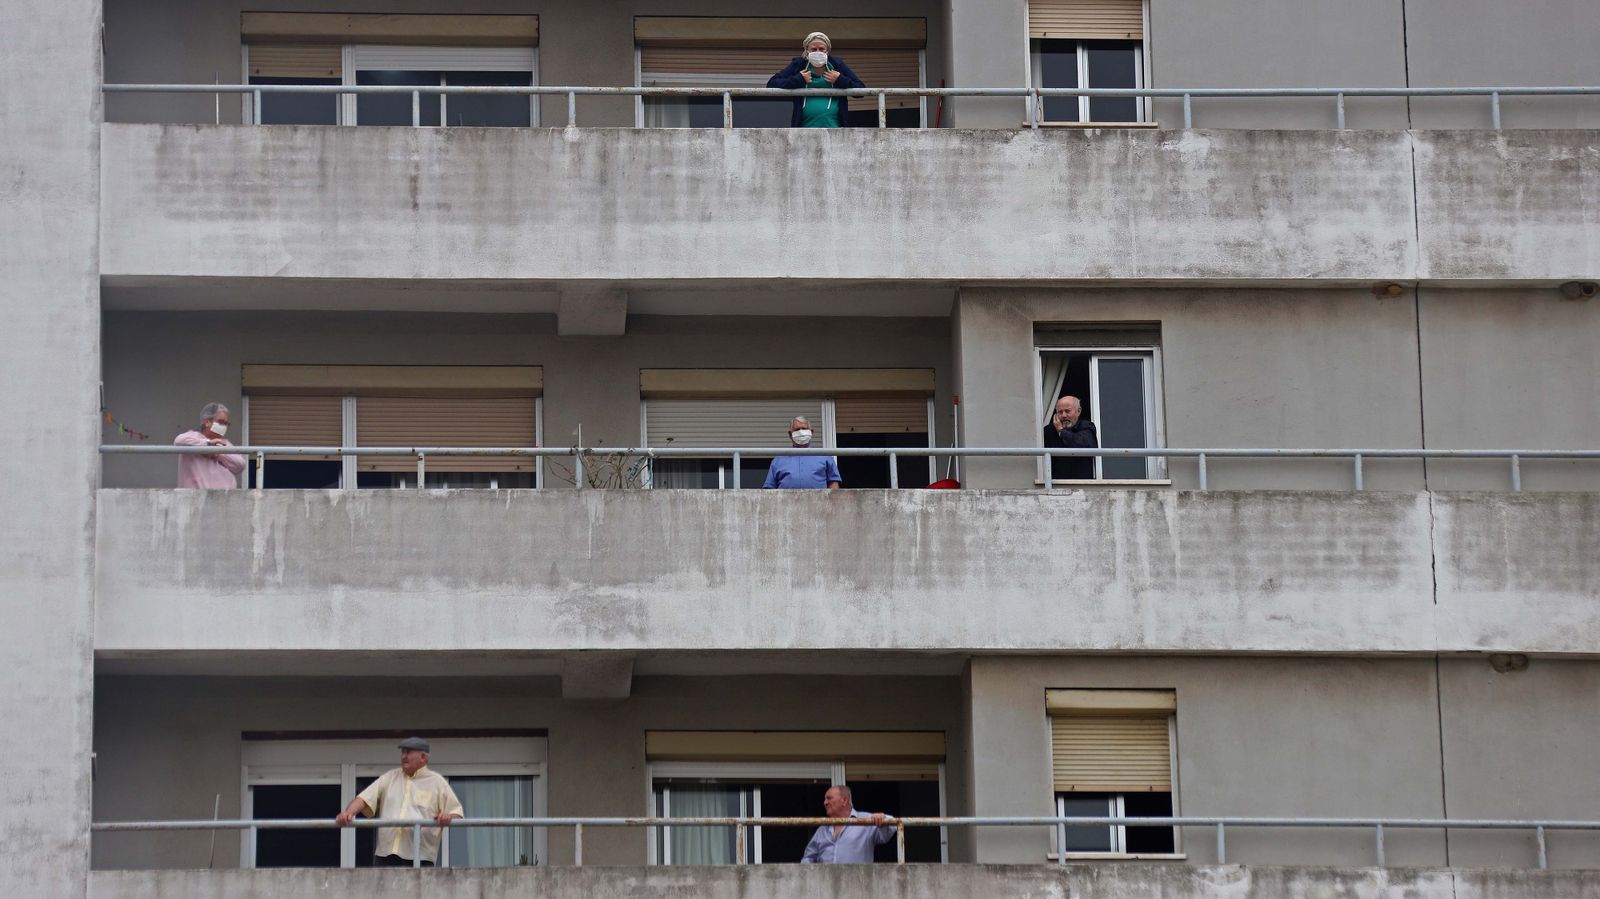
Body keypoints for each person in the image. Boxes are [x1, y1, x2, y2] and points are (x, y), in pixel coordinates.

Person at [336, 737, 464, 867]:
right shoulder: (390, 777)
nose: (404, 756)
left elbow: (456, 813)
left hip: (420, 856)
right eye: (403, 752)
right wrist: (348, 813)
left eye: (408, 752)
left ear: (423, 757)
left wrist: (448, 816)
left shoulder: (437, 782)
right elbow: (363, 799)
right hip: (386, 854)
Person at [767, 31, 866, 128]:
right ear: (807, 50)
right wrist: (798, 79)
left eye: (821, 49)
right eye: (814, 49)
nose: (818, 52)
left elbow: (861, 90)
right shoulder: (798, 65)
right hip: (803, 129)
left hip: (834, 128)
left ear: (827, 51)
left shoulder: (837, 65)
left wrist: (840, 79)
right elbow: (772, 84)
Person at [801, 784, 896, 863]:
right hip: (826, 884)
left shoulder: (864, 820)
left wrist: (882, 818)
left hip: (857, 883)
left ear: (844, 800)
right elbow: (808, 858)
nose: (825, 802)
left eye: (829, 798)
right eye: (825, 799)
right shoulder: (822, 829)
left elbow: (893, 825)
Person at [174, 402, 245, 488]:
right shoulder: (193, 436)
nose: (224, 426)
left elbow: (240, 465)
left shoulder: (225, 443)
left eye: (226, 424)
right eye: (221, 422)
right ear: (207, 422)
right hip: (196, 497)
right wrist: (207, 444)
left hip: (225, 497)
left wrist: (217, 452)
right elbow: (178, 441)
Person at [763, 416, 842, 489]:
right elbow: (769, 487)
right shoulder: (778, 460)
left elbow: (833, 483)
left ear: (811, 432)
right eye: (797, 429)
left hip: (818, 503)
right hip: (786, 503)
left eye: (804, 429)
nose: (801, 432)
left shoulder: (825, 457)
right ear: (790, 434)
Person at [1043, 395, 1098, 481]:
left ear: (1078, 411)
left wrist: (1061, 431)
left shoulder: (1086, 426)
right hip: (1055, 484)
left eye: (1067, 411)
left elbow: (1084, 445)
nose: (1064, 415)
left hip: (1083, 485)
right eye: (1060, 412)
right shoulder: (1048, 431)